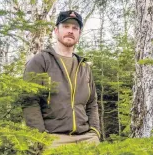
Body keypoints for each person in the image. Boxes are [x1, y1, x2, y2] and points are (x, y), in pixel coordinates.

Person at [23, 10, 100, 149]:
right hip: (54, 138)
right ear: (56, 30)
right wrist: (39, 137)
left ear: (79, 34)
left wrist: (95, 131)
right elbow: (29, 101)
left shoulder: (84, 67)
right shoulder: (40, 61)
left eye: (75, 28)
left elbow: (92, 102)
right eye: (66, 26)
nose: (70, 31)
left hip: (87, 138)